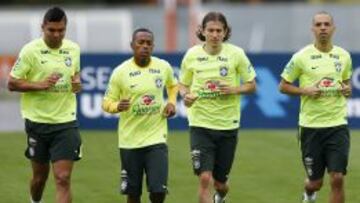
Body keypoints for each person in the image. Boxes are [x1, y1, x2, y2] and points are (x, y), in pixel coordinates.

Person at [178, 12, 257, 203]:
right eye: (210, 30)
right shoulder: (192, 55)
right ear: (202, 32)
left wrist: (233, 89)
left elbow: (252, 85)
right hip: (200, 124)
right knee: (205, 178)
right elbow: (182, 84)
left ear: (225, 32)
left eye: (218, 30)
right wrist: (186, 96)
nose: (214, 34)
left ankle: (220, 196)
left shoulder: (236, 54)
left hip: (227, 125)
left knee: (220, 183)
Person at [7, 7, 82, 203]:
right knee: (40, 178)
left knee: (63, 178)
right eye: (52, 30)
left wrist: (77, 83)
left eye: (61, 30)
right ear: (43, 27)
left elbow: (76, 75)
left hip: (66, 122)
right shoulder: (30, 50)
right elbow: (12, 83)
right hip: (37, 122)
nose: (57, 35)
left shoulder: (74, 49)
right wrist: (39, 85)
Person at [279, 11, 352, 203]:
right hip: (311, 127)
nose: (323, 28)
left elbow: (346, 84)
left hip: (337, 125)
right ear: (313, 29)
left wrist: (347, 90)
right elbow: (283, 86)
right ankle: (309, 193)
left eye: (327, 24)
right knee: (315, 182)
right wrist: (305, 91)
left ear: (333, 28)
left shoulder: (343, 56)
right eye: (319, 25)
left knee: (337, 178)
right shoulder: (301, 57)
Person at [102, 28, 178, 203]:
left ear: (153, 46)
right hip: (130, 141)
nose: (145, 46)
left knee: (158, 192)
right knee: (133, 194)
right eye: (140, 42)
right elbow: (106, 102)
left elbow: (173, 85)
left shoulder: (163, 67)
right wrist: (117, 106)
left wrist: (171, 103)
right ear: (132, 45)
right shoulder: (120, 72)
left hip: (156, 140)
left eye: (148, 43)